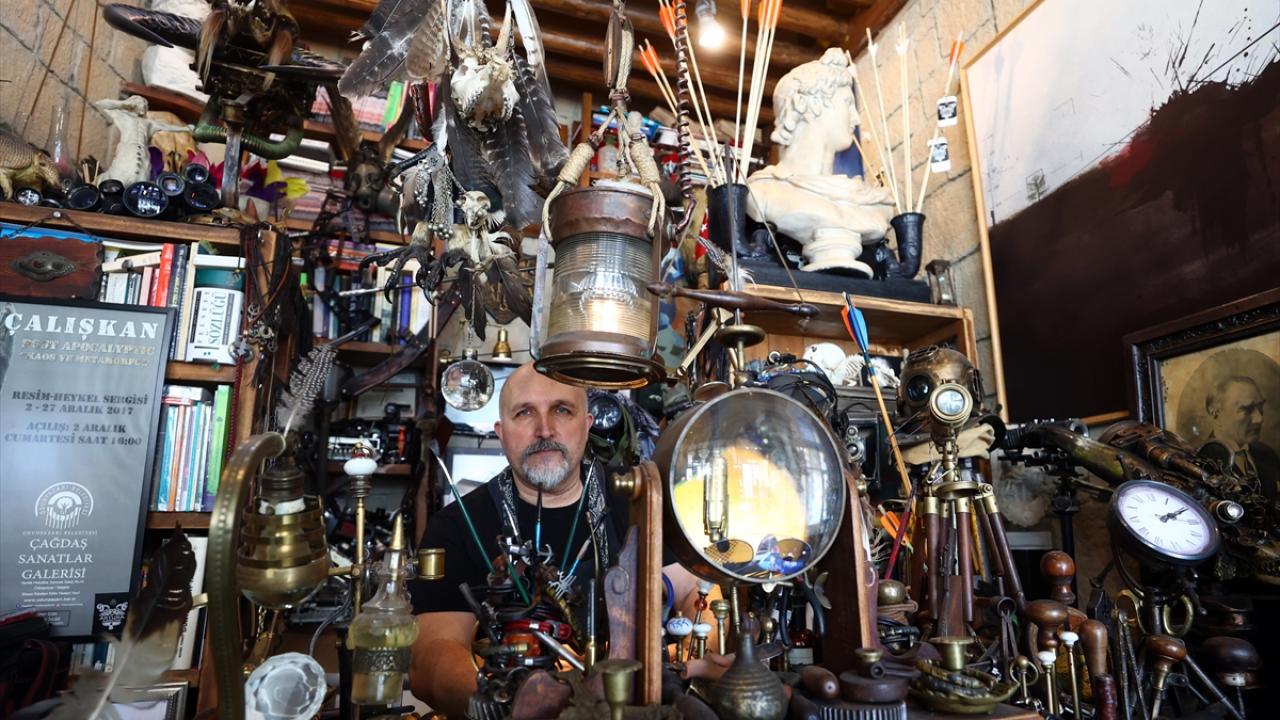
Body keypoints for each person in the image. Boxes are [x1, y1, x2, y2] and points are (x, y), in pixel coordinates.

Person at [407, 363, 709, 716]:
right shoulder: (456, 525)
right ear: (501, 432)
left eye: (562, 410)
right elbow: (429, 659)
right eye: (525, 412)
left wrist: (683, 664)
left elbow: (696, 593)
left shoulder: (638, 500)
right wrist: (513, 706)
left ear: (587, 424)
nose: (545, 430)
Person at [745, 48, 896, 275]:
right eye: (847, 103)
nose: (856, 118)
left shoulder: (871, 203)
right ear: (812, 104)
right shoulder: (763, 194)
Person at [1202, 376, 1278, 498]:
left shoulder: (1267, 454)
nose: (1259, 419)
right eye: (1247, 410)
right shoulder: (1203, 461)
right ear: (1216, 414)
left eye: (1260, 407)